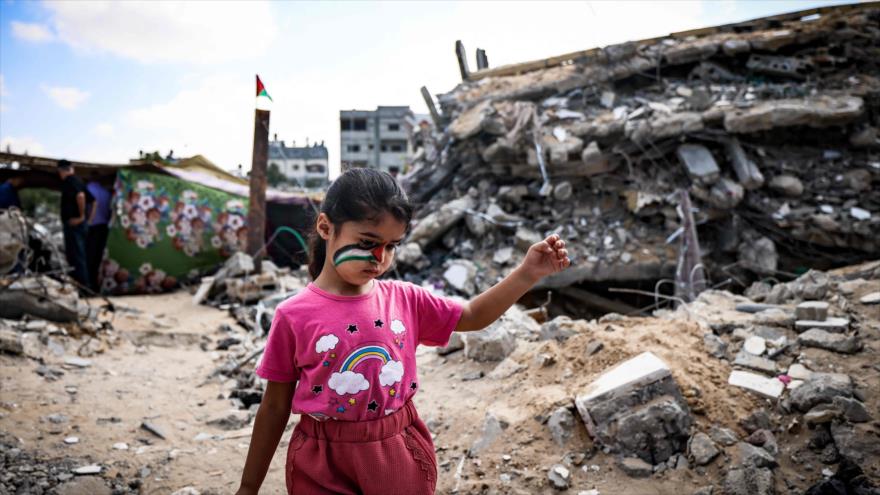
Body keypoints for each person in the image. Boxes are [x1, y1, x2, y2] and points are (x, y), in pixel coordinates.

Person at [236, 168, 570, 495]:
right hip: (322, 458)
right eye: (367, 242)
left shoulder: (404, 299)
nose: (380, 257)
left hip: (396, 450)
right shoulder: (293, 315)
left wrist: (527, 274)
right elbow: (275, 407)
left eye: (392, 245)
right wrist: (248, 487)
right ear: (326, 227)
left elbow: (472, 315)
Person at [58, 160, 93, 289]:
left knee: (76, 256)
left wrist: (81, 216)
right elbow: (93, 201)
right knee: (78, 255)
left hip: (74, 225)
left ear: (62, 170)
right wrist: (88, 220)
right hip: (79, 225)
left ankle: (82, 287)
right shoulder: (78, 181)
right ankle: (81, 285)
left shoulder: (70, 181)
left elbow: (81, 196)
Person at [86, 179, 112, 292]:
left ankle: (88, 284)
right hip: (104, 226)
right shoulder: (107, 193)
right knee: (98, 256)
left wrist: (89, 220)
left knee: (89, 257)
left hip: (92, 226)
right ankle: (97, 284)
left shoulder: (88, 189)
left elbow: (90, 204)